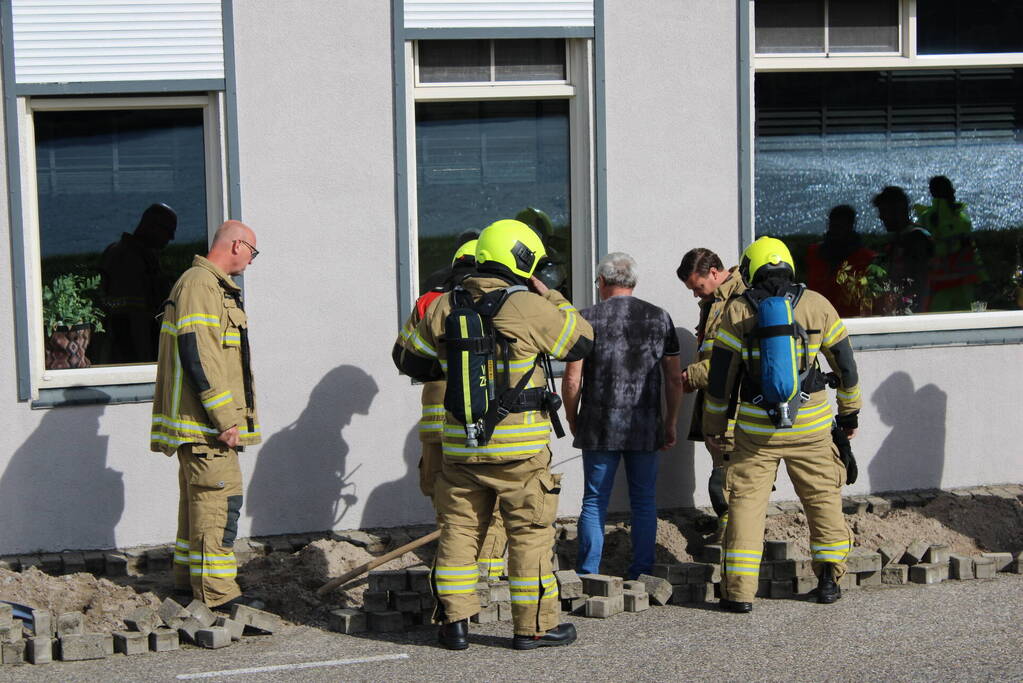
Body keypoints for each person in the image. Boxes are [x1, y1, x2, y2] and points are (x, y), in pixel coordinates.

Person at [393, 219, 593, 651]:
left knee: (459, 534)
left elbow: (408, 359)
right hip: (520, 453)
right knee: (530, 534)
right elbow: (580, 342)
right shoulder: (528, 306)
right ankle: (534, 628)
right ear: (520, 259)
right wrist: (553, 295)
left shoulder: (443, 304)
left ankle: (454, 624)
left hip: (461, 446)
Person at [703, 237, 861, 613]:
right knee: (823, 501)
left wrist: (714, 425)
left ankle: (739, 594)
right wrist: (849, 413)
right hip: (811, 427)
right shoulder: (817, 305)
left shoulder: (737, 311)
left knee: (745, 508)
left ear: (750, 268)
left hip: (756, 432)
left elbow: (721, 379)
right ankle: (828, 581)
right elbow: (846, 365)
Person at [150, 220, 264, 611]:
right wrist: (226, 418)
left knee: (197, 508)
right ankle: (217, 595)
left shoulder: (201, 284)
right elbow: (199, 353)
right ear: (236, 245)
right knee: (220, 504)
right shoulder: (201, 285)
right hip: (207, 428)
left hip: (201, 427)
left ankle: (189, 583)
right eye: (253, 251)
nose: (252, 260)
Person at [561, 252, 683, 580]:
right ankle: (642, 570)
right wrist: (670, 421)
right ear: (634, 282)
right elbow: (674, 378)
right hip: (645, 426)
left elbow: (572, 379)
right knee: (643, 499)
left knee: (594, 499)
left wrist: (573, 417)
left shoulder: (585, 319)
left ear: (601, 282)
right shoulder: (660, 318)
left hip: (599, 426)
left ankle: (588, 572)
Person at [400, 234, 510, 582]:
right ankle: (488, 575)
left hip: (439, 424)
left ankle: (455, 577)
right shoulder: (504, 299)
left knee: (449, 502)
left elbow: (405, 355)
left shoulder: (430, 301)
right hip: (488, 420)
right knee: (492, 500)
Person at [676, 247, 746, 536]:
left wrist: (689, 377)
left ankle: (735, 541)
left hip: (734, 407)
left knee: (730, 479)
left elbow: (731, 359)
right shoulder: (715, 300)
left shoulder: (738, 299)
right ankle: (728, 533)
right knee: (723, 470)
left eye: (698, 287)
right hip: (717, 405)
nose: (696, 295)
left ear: (715, 273)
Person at [99, 203, 177, 363]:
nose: (170, 239)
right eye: (168, 232)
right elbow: (133, 316)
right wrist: (145, 361)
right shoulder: (129, 259)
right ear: (152, 227)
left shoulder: (125, 253)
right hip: (131, 351)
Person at [913, 175, 983, 312]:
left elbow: (971, 250)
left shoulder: (928, 218)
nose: (953, 191)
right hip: (943, 286)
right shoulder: (935, 218)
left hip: (958, 285)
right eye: (949, 188)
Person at [805, 205, 877, 318]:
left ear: (851, 226)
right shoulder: (814, 254)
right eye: (835, 225)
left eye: (841, 226)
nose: (837, 231)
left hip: (852, 320)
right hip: (818, 318)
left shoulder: (866, 258)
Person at [873, 186, 933, 313]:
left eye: (884, 211)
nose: (881, 217)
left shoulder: (917, 239)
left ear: (898, 210)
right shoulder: (897, 241)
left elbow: (917, 283)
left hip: (912, 314)